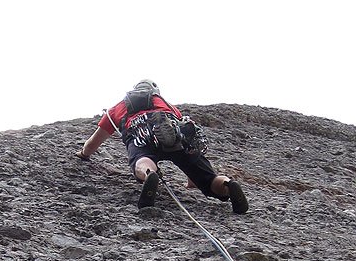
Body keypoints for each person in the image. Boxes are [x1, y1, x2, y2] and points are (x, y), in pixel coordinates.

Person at [79, 79, 248, 213]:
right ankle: (228, 185)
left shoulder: (117, 108)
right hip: (175, 132)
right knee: (208, 178)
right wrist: (192, 180)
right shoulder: (166, 105)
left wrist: (84, 153)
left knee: (142, 158)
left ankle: (149, 174)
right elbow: (189, 136)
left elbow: (95, 140)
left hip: (140, 131)